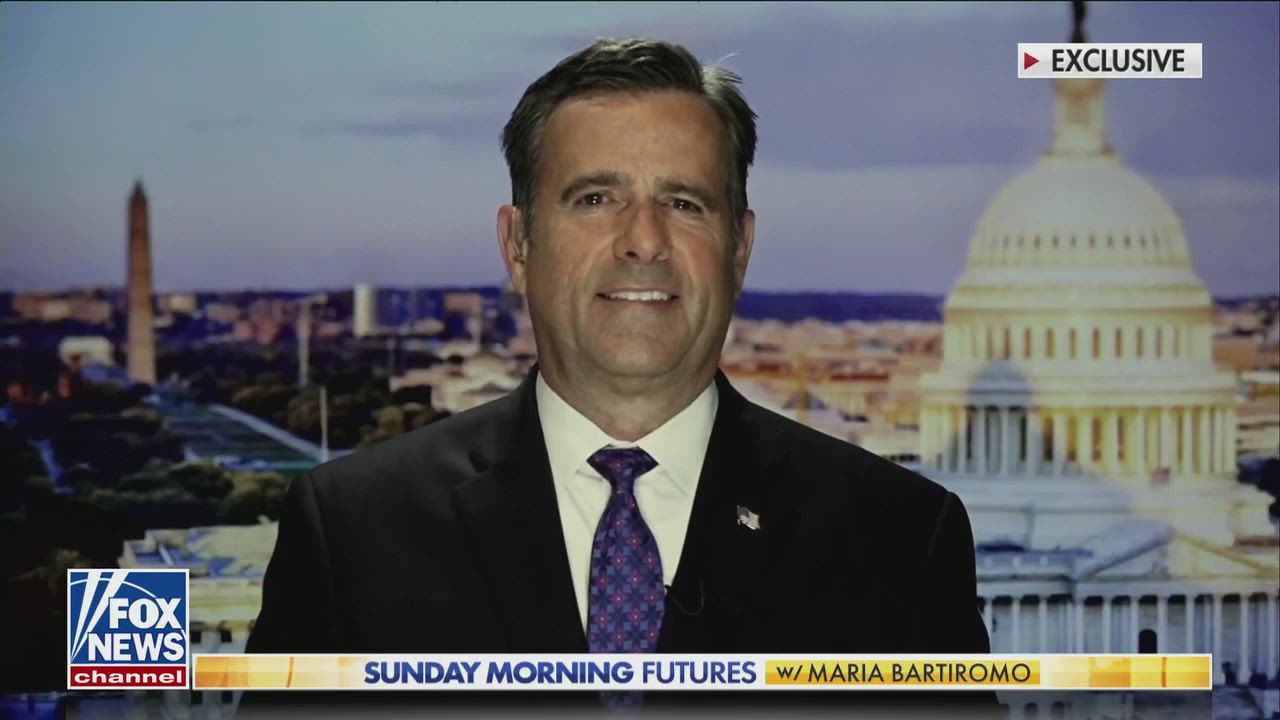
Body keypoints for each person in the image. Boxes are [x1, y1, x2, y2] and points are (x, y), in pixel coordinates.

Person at [241, 37, 996, 717]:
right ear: (518, 245)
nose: (643, 241)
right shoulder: (355, 532)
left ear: (740, 250)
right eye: (596, 199)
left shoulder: (896, 540)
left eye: (684, 202)